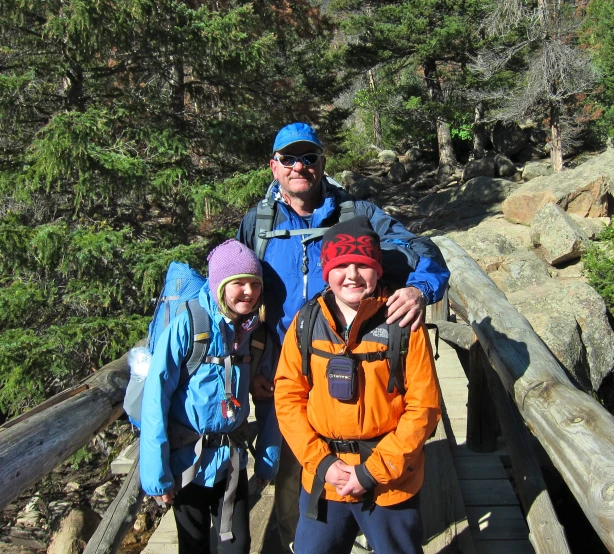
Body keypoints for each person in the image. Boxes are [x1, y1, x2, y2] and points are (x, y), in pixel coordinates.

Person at [235, 122, 450, 550]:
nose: (300, 166)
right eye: (289, 159)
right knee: (294, 482)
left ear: (322, 163)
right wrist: (250, 362)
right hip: (289, 373)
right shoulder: (256, 225)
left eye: (309, 157)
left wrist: (417, 289)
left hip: (365, 364)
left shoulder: (358, 215)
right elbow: (237, 297)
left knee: (370, 490)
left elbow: (423, 251)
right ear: (273, 167)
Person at [273, 216, 442, 554]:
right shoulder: (307, 321)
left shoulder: (403, 324)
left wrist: (371, 472)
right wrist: (321, 463)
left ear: (378, 269)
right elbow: (288, 396)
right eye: (341, 265)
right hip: (325, 479)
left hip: (388, 481)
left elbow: (424, 407)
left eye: (362, 264)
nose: (351, 275)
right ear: (326, 271)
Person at [139, 239, 281, 554]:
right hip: (185, 462)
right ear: (219, 285)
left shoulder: (256, 334)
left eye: (254, 284)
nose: (248, 291)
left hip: (231, 461)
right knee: (193, 546)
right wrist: (156, 473)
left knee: (236, 545)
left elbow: (272, 401)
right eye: (238, 283)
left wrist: (267, 463)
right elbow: (155, 397)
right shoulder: (188, 325)